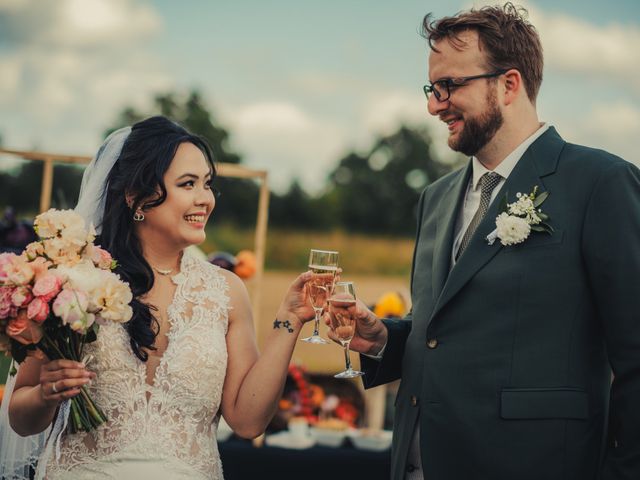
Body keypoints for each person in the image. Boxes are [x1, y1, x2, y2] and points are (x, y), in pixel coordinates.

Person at [335, 3, 640, 479]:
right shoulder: (434, 201)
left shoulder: (602, 183)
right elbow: (440, 331)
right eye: (432, 88)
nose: (435, 105)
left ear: (509, 84)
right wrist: (382, 340)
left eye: (451, 86)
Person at [6, 116, 316, 479]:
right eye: (187, 184)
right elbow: (20, 418)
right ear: (137, 197)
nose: (205, 199)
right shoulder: (75, 278)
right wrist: (46, 393)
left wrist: (289, 321)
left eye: (207, 184)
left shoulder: (226, 291)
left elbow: (247, 422)